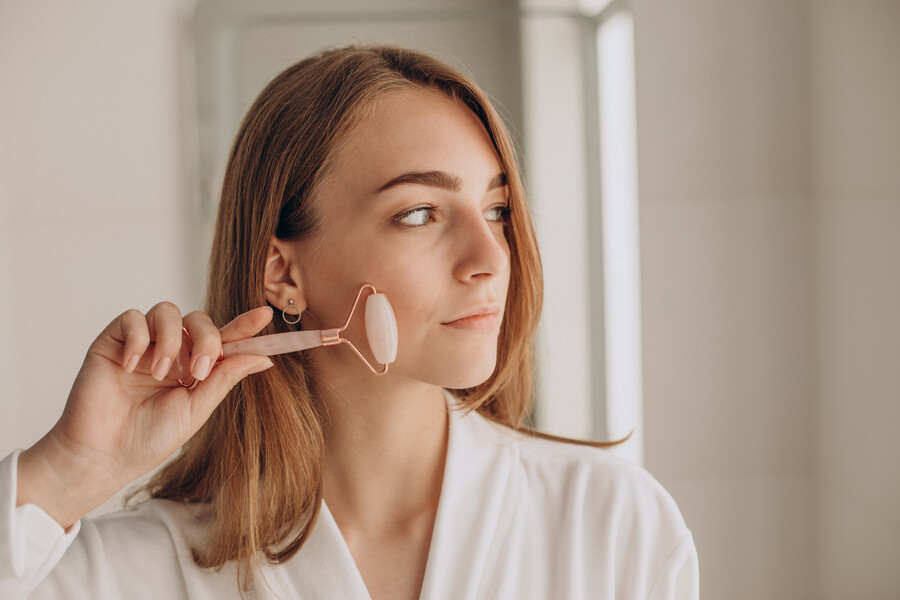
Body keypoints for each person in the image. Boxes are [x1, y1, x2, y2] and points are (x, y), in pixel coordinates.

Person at [0, 45, 698, 599]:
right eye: (419, 213)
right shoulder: (141, 569)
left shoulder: (610, 523)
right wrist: (69, 470)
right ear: (283, 273)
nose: (490, 257)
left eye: (496, 211)